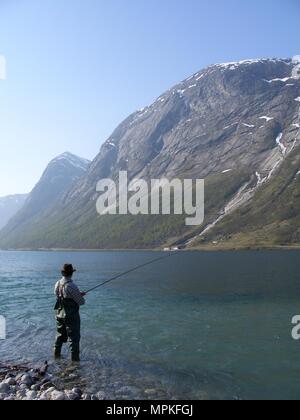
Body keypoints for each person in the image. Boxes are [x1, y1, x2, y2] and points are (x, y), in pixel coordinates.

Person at [54, 264, 86, 362]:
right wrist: (79, 295)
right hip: (71, 316)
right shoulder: (72, 286)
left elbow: (59, 295)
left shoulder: (57, 284)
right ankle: (75, 363)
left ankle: (56, 357)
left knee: (59, 336)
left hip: (59, 314)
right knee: (74, 339)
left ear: (63, 273)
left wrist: (76, 294)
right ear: (72, 273)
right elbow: (81, 302)